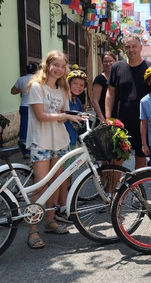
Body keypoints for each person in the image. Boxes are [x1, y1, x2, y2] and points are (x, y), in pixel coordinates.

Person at [25, 50, 85, 249]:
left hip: (60, 141)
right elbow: (41, 116)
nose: (59, 69)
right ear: (47, 65)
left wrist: (77, 116)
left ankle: (50, 221)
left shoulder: (62, 90)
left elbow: (62, 112)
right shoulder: (36, 87)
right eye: (55, 65)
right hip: (41, 141)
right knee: (40, 186)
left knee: (55, 184)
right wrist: (66, 117)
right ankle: (32, 230)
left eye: (62, 66)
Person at [105, 33, 151, 170]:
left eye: (134, 46)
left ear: (141, 48)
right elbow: (110, 93)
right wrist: (108, 119)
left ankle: (138, 190)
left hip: (143, 123)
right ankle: (112, 191)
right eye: (128, 47)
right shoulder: (117, 67)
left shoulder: (149, 68)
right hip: (121, 123)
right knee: (116, 160)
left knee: (141, 159)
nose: (131, 50)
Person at [56, 69, 88, 224]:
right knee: (64, 176)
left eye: (81, 85)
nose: (78, 87)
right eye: (75, 83)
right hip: (63, 142)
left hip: (72, 140)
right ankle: (62, 208)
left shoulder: (78, 101)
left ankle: (62, 203)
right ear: (68, 84)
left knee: (67, 176)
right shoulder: (65, 98)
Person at [11, 62, 38, 159]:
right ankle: (34, 149)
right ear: (36, 70)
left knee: (24, 128)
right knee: (35, 128)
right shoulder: (38, 79)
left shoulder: (21, 80)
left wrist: (22, 90)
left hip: (24, 106)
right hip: (35, 106)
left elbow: (13, 91)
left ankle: (25, 151)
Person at [92, 51, 117, 122]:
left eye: (110, 61)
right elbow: (95, 101)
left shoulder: (119, 78)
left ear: (115, 61)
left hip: (117, 117)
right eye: (105, 61)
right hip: (103, 118)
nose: (108, 64)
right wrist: (102, 119)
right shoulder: (99, 79)